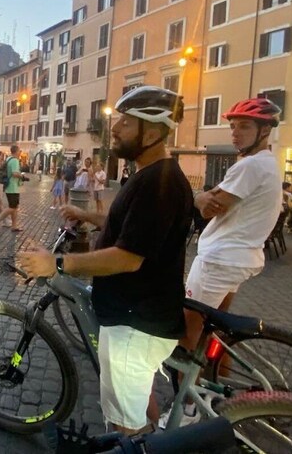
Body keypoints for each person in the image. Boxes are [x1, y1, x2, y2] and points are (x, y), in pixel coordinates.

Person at [19, 86, 193, 435]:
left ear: (154, 132)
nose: (114, 129)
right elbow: (136, 230)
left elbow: (128, 258)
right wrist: (90, 217)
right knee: (137, 406)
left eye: (126, 124)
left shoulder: (158, 182)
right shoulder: (148, 175)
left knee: (126, 426)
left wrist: (58, 264)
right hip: (139, 314)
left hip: (135, 323)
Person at [175, 98, 282, 424]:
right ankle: (214, 389)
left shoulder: (250, 166)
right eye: (233, 127)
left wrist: (195, 196)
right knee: (214, 330)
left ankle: (187, 410)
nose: (235, 134)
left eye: (244, 127)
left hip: (219, 260)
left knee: (187, 336)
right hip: (239, 258)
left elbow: (209, 206)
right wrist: (205, 196)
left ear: (264, 130)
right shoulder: (267, 163)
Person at [0, 145, 27, 234]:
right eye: (19, 151)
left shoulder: (8, 159)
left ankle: (14, 226)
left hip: (8, 187)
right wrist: (23, 176)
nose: (20, 152)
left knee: (14, 207)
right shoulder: (14, 160)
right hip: (13, 187)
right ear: (16, 151)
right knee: (12, 207)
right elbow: (15, 173)